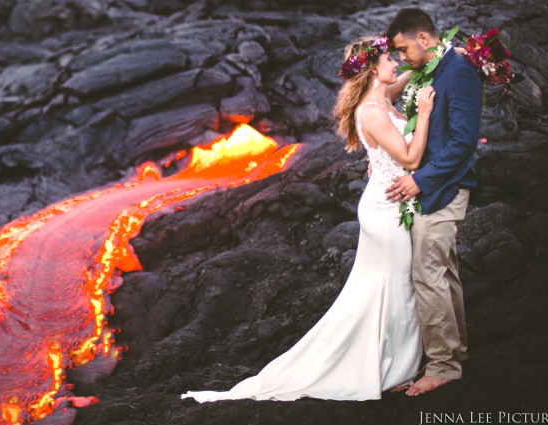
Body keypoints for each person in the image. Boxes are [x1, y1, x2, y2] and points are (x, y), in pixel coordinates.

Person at [180, 35, 436, 402]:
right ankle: (390, 366)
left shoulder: (383, 96)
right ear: (371, 69)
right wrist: (423, 114)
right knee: (396, 286)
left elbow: (414, 71)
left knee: (379, 289)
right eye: (388, 58)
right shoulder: (373, 110)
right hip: (386, 208)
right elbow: (410, 160)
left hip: (388, 201)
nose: (395, 61)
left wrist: (452, 53)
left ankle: (384, 359)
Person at [384, 8, 482, 397]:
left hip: (443, 189)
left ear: (424, 39)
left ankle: (444, 365)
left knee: (426, 273)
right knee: (444, 271)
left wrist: (418, 180)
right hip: (434, 187)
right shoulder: (434, 67)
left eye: (404, 49)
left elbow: (463, 142)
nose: (402, 58)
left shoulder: (458, 73)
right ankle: (457, 350)